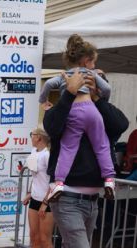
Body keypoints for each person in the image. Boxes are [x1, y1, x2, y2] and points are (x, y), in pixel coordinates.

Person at [42, 70, 128, 248]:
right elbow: (51, 126)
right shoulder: (64, 108)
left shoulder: (100, 112)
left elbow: (121, 124)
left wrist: (98, 96)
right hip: (67, 196)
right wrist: (68, 93)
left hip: (92, 200)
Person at [39, 34, 115, 200]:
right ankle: (109, 180)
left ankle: (59, 183)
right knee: (102, 145)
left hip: (73, 111)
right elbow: (107, 89)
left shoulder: (64, 75)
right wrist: (103, 99)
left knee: (68, 148)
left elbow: (48, 85)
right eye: (93, 62)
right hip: (92, 111)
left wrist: (43, 100)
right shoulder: (91, 73)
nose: (94, 66)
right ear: (86, 61)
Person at [17, 127, 55, 248]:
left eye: (32, 135)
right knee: (34, 236)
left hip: (48, 201)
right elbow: (36, 177)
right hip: (35, 199)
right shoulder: (34, 152)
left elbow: (54, 181)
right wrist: (29, 193)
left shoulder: (48, 155)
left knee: (46, 238)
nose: (30, 137)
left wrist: (45, 202)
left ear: (39, 137)